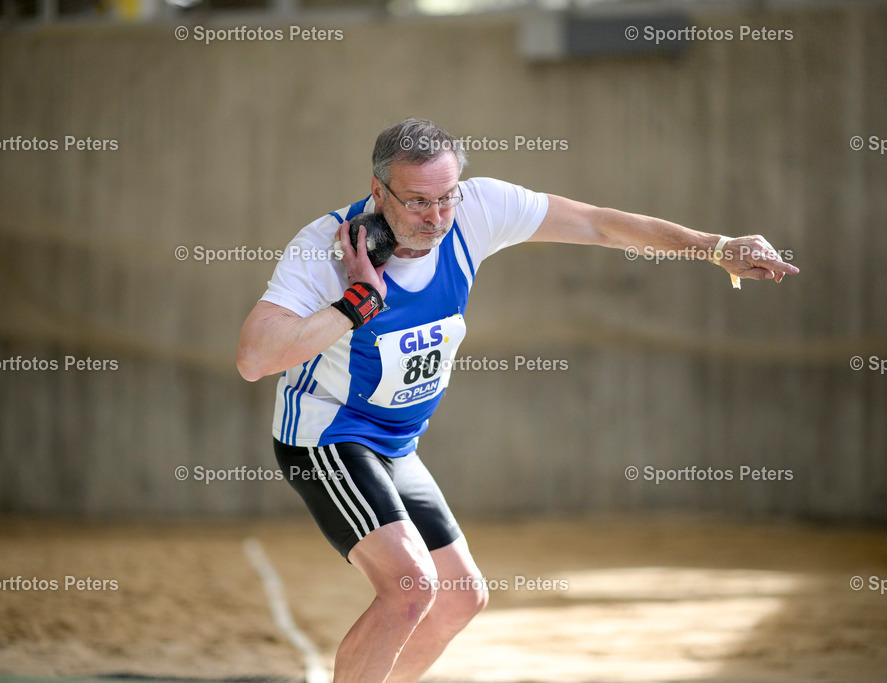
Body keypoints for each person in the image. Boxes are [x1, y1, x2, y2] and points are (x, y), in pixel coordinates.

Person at [236, 118, 799, 682]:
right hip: (328, 436)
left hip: (397, 444)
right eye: (416, 203)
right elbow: (255, 358)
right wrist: (355, 304)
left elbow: (600, 225)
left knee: (459, 599)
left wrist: (714, 247)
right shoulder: (325, 249)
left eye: (446, 198)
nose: (435, 218)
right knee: (410, 588)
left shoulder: (478, 211)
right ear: (378, 192)